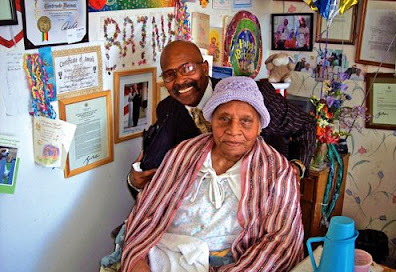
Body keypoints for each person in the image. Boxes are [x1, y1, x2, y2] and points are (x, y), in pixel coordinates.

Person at [118, 76, 304, 272]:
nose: (233, 130)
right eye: (224, 118)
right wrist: (136, 258)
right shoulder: (184, 152)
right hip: (163, 254)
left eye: (246, 121)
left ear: (259, 127)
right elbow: (148, 208)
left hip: (231, 269)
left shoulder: (277, 171)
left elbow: (282, 240)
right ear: (211, 121)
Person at [127, 41, 316, 193]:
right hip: (210, 211)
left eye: (188, 69)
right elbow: (161, 170)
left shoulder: (251, 97)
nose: (180, 81)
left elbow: (305, 125)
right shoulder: (168, 110)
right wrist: (135, 181)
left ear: (205, 68)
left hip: (264, 196)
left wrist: (296, 168)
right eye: (170, 75)